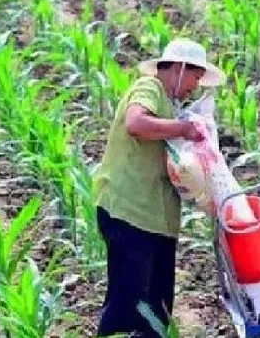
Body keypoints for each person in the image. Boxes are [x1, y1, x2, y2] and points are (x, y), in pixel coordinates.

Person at [92, 38, 226, 338]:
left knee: (157, 311)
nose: (197, 83)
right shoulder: (149, 88)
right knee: (126, 305)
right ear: (179, 68)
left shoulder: (173, 106)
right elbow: (136, 124)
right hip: (130, 212)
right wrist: (183, 129)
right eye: (196, 75)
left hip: (158, 221)